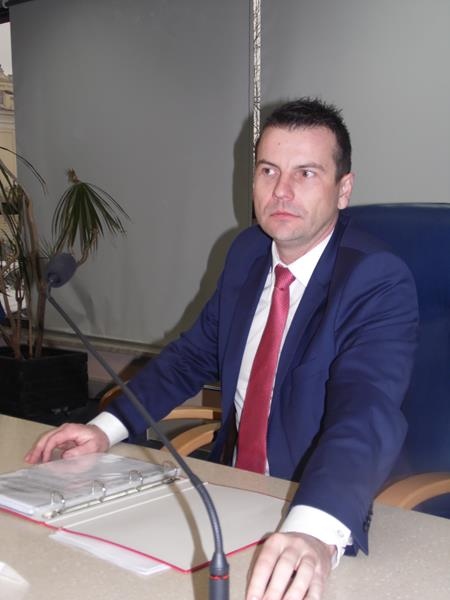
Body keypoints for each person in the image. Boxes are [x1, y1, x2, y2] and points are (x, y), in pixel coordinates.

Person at [26, 98, 418, 600]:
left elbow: (365, 410)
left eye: (306, 174)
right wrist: (105, 429)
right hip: (228, 497)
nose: (281, 191)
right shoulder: (248, 253)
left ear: (344, 190)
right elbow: (191, 357)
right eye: (268, 171)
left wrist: (313, 530)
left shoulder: (375, 279)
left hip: (312, 503)